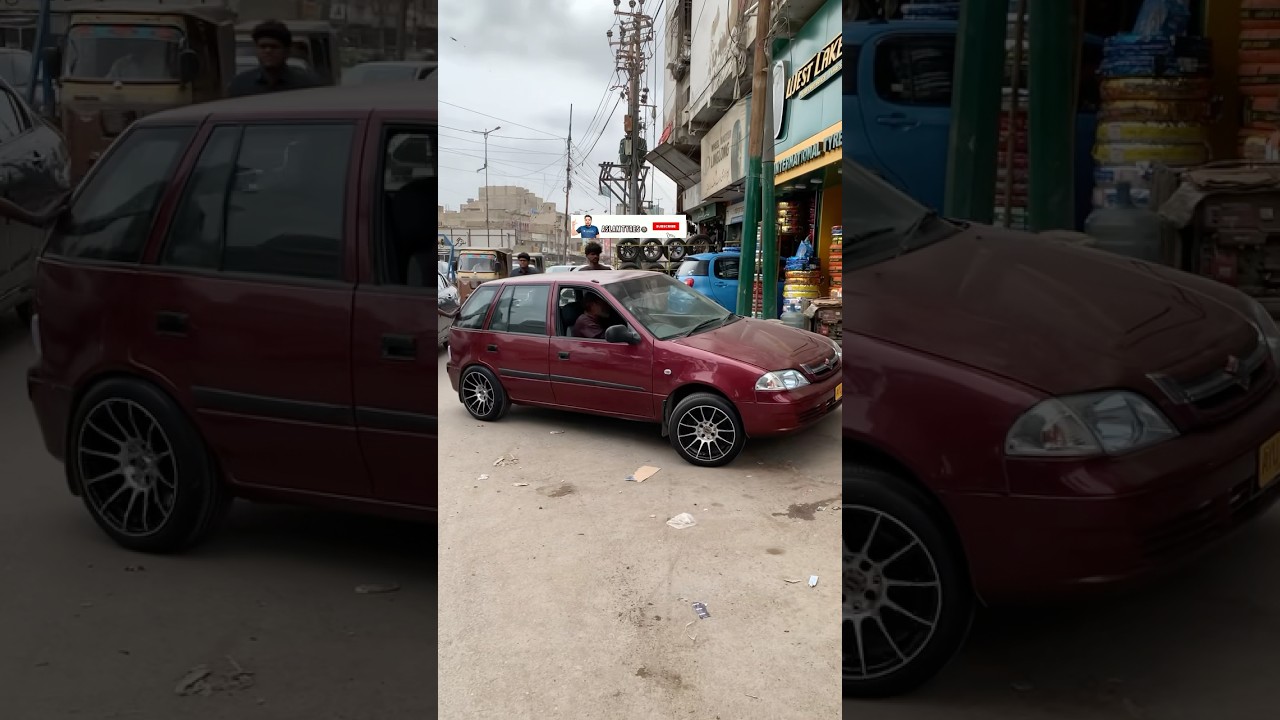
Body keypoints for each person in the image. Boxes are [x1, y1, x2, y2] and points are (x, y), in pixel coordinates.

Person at [227, 20, 320, 97]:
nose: (268, 51)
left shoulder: (307, 86)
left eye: (274, 47)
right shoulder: (240, 84)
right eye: (263, 47)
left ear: (287, 51)